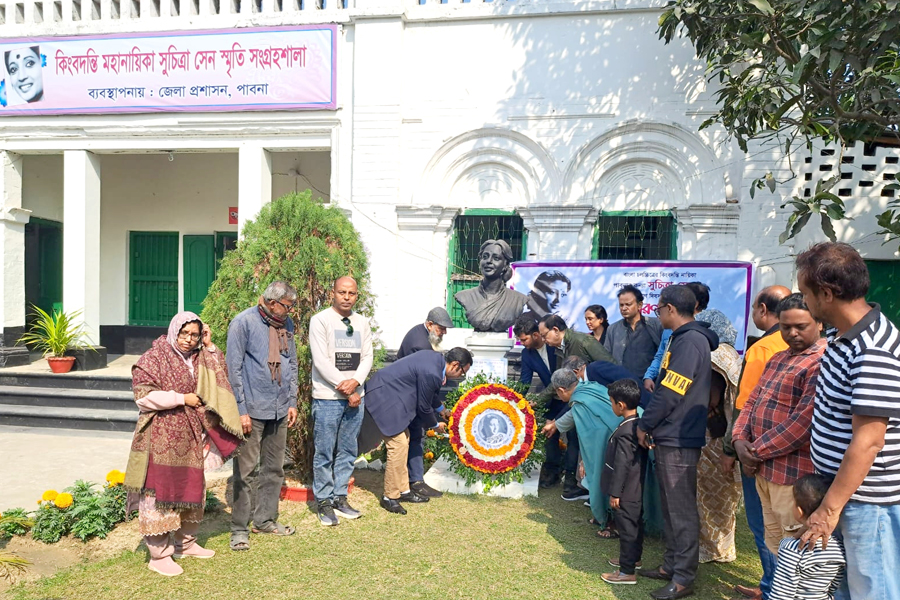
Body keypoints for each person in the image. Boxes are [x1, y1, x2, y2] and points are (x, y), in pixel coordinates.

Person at [796, 242, 900, 600]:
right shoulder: (838, 335)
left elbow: (869, 441)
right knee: (842, 589)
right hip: (841, 493)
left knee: (873, 590)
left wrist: (829, 510)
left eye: (805, 293)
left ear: (826, 294)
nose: (804, 301)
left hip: (867, 501)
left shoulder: (873, 350)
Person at [126, 312, 243, 575]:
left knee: (192, 486)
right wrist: (181, 398)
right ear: (174, 331)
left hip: (191, 435)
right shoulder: (154, 357)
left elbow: (219, 377)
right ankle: (159, 555)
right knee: (160, 493)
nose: (189, 339)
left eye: (195, 334)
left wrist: (209, 346)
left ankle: (185, 543)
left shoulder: (199, 357)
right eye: (184, 333)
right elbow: (142, 396)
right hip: (161, 436)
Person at [637, 284, 718, 600]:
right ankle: (671, 565)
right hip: (671, 432)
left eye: (658, 309)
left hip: (680, 435)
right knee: (671, 506)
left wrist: (645, 423)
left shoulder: (691, 341)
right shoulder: (681, 338)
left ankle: (683, 577)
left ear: (670, 309)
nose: (657, 314)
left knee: (681, 509)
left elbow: (671, 391)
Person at [733, 294, 825, 561]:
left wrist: (753, 452)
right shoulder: (778, 358)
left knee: (796, 552)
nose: (792, 333)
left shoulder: (821, 361)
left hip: (792, 476)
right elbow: (751, 402)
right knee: (774, 545)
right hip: (764, 471)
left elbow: (802, 423)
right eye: (786, 327)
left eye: (800, 326)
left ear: (819, 323)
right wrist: (739, 439)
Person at [725, 285, 791, 600]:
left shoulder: (763, 348)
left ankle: (771, 588)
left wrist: (731, 449)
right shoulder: (813, 347)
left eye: (754, 308)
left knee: (763, 521)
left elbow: (744, 405)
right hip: (793, 453)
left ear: (763, 310)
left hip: (757, 450)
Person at [227, 282, 299, 550]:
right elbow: (233, 369)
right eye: (287, 306)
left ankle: (265, 520)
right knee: (244, 472)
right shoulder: (242, 323)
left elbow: (292, 363)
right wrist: (241, 410)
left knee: (274, 469)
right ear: (271, 303)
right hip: (252, 410)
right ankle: (239, 528)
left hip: (279, 408)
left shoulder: (286, 324)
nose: (290, 311)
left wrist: (292, 401)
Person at [364, 348, 472, 514]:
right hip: (384, 397)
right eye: (462, 372)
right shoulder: (433, 372)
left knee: (404, 440)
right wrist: (435, 425)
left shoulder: (436, 361)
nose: (460, 376)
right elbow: (423, 406)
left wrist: (442, 410)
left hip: (392, 397)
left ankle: (404, 490)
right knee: (398, 445)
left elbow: (429, 394)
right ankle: (390, 497)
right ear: (455, 365)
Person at [309, 276, 374, 526]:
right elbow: (321, 361)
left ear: (357, 296)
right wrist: (348, 389)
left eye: (352, 293)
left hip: (356, 397)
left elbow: (367, 357)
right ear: (332, 293)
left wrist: (356, 382)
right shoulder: (320, 320)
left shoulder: (362, 323)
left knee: (348, 451)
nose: (347, 297)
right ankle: (324, 501)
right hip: (328, 398)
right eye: (342, 292)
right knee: (324, 452)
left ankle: (340, 497)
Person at [395, 306, 454, 499]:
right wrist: (436, 420)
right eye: (441, 328)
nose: (444, 333)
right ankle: (414, 482)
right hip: (406, 398)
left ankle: (412, 480)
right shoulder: (419, 344)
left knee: (414, 438)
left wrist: (440, 408)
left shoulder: (423, 335)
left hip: (411, 396)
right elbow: (425, 386)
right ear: (430, 324)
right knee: (413, 438)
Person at [697, 326, 743, 564]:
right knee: (726, 498)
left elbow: (711, 397)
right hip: (730, 434)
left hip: (712, 435)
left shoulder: (713, 359)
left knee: (707, 496)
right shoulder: (732, 357)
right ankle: (725, 547)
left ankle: (711, 548)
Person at [541, 368, 618, 506]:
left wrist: (585, 460)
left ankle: (602, 505)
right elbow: (573, 412)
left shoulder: (580, 402)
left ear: (561, 390)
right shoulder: (589, 387)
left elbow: (590, 438)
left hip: (615, 437)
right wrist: (555, 425)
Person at [601, 379, 649, 586]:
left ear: (620, 405)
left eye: (611, 402)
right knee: (635, 524)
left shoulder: (625, 432)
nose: (611, 406)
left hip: (626, 490)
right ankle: (633, 559)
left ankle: (626, 572)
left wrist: (616, 493)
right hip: (635, 488)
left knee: (627, 529)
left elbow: (622, 465)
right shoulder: (637, 425)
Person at [513, 315, 568, 489]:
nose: (522, 343)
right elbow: (524, 381)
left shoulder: (554, 345)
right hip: (550, 399)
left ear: (536, 335)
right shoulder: (526, 353)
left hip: (570, 396)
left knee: (573, 436)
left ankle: (572, 474)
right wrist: (513, 400)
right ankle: (552, 472)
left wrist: (539, 399)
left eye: (524, 339)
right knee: (549, 434)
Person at [770, 474, 846, 600]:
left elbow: (781, 593)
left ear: (799, 511)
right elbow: (834, 585)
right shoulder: (838, 548)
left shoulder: (791, 549)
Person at [454, 240, 527, 332]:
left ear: (505, 265)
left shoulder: (518, 299)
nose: (489, 261)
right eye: (485, 257)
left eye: (496, 258)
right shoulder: (465, 296)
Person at [604, 285, 663, 379]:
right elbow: (607, 358)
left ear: (639, 305)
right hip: (623, 383)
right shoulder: (613, 329)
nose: (624, 308)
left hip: (650, 382)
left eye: (628, 304)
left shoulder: (656, 325)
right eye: (621, 305)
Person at [538, 314, 616, 365]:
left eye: (544, 335)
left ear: (556, 330)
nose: (543, 340)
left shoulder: (583, 341)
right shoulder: (558, 348)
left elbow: (610, 366)